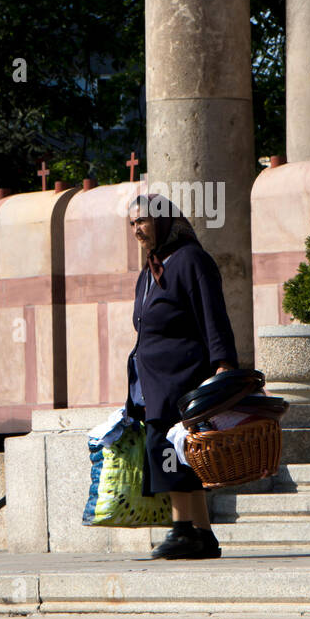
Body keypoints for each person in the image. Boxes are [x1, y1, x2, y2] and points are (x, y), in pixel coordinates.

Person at [126, 192, 238, 559]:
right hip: (155, 384)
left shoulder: (191, 260)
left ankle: (183, 529)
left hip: (183, 379)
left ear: (162, 221)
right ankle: (203, 534)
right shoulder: (151, 268)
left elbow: (212, 314)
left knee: (174, 452)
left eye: (142, 221)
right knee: (176, 452)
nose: (137, 230)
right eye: (132, 224)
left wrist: (223, 365)